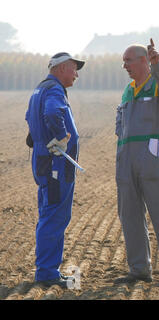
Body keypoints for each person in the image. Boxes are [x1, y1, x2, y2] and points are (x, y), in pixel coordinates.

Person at [115, 39, 159, 285]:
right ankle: (139, 269)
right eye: (123, 61)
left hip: (153, 161)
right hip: (127, 162)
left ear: (144, 60)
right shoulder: (128, 90)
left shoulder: (157, 84)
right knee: (130, 216)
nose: (124, 65)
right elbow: (120, 124)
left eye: (128, 60)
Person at [25, 52, 85, 288]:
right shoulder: (55, 90)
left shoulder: (40, 88)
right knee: (54, 216)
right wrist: (61, 137)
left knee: (50, 213)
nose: (76, 74)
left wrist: (38, 137)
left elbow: (31, 117)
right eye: (74, 69)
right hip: (56, 163)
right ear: (60, 68)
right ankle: (47, 272)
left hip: (44, 160)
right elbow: (51, 113)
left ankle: (48, 270)